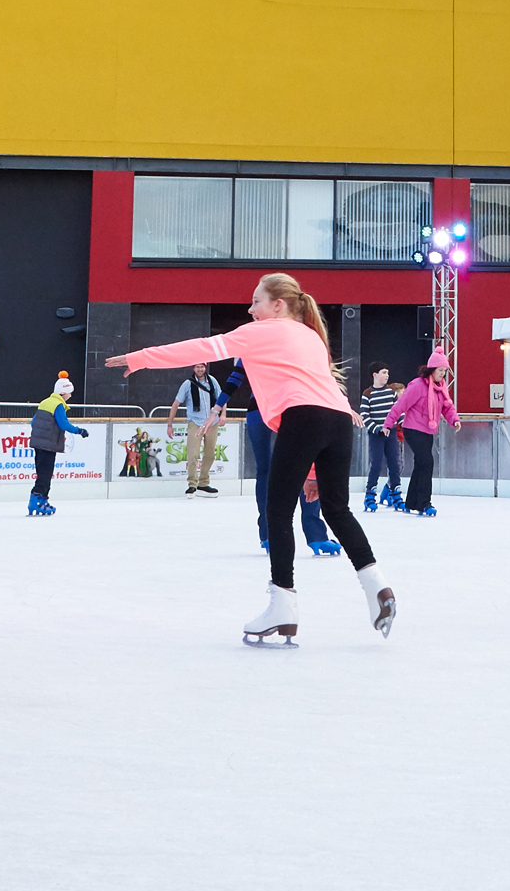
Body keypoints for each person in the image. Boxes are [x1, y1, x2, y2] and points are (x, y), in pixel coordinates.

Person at [108, 274, 393, 646]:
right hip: (339, 421)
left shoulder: (262, 331)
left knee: (277, 510)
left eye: (256, 301)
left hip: (304, 417)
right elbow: (319, 397)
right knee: (337, 509)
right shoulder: (311, 337)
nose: (250, 309)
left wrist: (141, 358)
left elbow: (203, 347)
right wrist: (312, 473)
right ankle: (378, 588)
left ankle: (283, 604)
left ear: (278, 305)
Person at [239, 362, 337, 554]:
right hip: (282, 404)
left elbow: (236, 375)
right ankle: (309, 534)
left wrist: (218, 407)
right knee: (295, 464)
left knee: (277, 468)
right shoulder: (291, 340)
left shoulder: (260, 339)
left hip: (274, 406)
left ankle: (273, 535)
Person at [385, 354, 460, 517]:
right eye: (440, 370)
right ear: (431, 370)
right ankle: (425, 502)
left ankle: (411, 502)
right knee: (427, 461)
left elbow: (447, 406)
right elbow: (401, 405)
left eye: (445, 371)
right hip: (412, 429)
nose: (443, 374)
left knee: (421, 463)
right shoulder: (417, 385)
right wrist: (388, 423)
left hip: (428, 430)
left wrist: (454, 420)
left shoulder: (441, 387)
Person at [24, 373, 89, 516]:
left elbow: (33, 422)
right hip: (48, 444)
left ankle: (36, 501)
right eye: (70, 393)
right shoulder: (58, 404)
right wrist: (80, 431)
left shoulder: (45, 402)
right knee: (46, 474)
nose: (70, 396)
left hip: (38, 443)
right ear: (63, 392)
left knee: (41, 472)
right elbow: (63, 424)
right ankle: (39, 501)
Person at [173, 363, 227, 496]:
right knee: (193, 454)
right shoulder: (188, 384)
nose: (200, 369)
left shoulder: (212, 381)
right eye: (197, 367)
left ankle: (204, 482)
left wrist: (223, 414)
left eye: (202, 366)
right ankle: (192, 484)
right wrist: (170, 424)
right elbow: (176, 403)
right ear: (193, 368)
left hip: (212, 422)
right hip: (195, 422)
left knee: (210, 453)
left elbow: (222, 398)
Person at [359, 365, 403, 511]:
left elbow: (397, 411)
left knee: (394, 464)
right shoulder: (368, 393)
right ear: (375, 374)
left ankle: (395, 494)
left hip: (390, 434)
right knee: (376, 464)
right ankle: (370, 495)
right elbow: (365, 416)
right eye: (384, 373)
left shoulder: (390, 392)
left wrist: (404, 425)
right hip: (376, 435)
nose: (387, 375)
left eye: (388, 373)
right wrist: (377, 429)